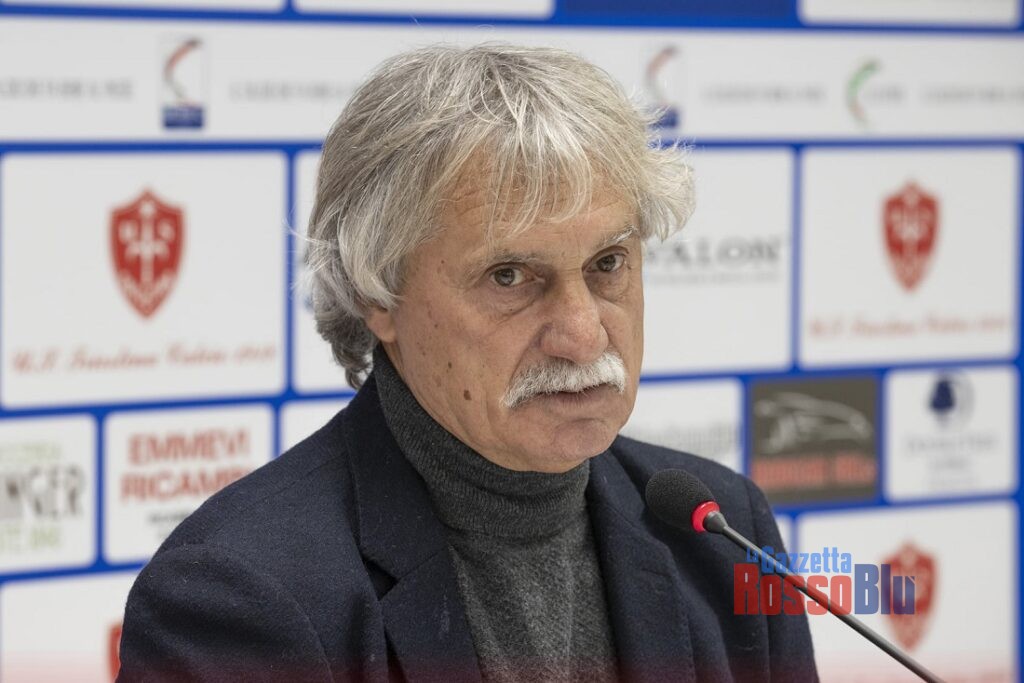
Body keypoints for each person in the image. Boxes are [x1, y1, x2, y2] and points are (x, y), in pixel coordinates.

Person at [117, 44, 818, 682]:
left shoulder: (725, 531)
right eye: (509, 276)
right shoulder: (243, 597)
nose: (582, 335)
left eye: (608, 263)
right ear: (377, 294)